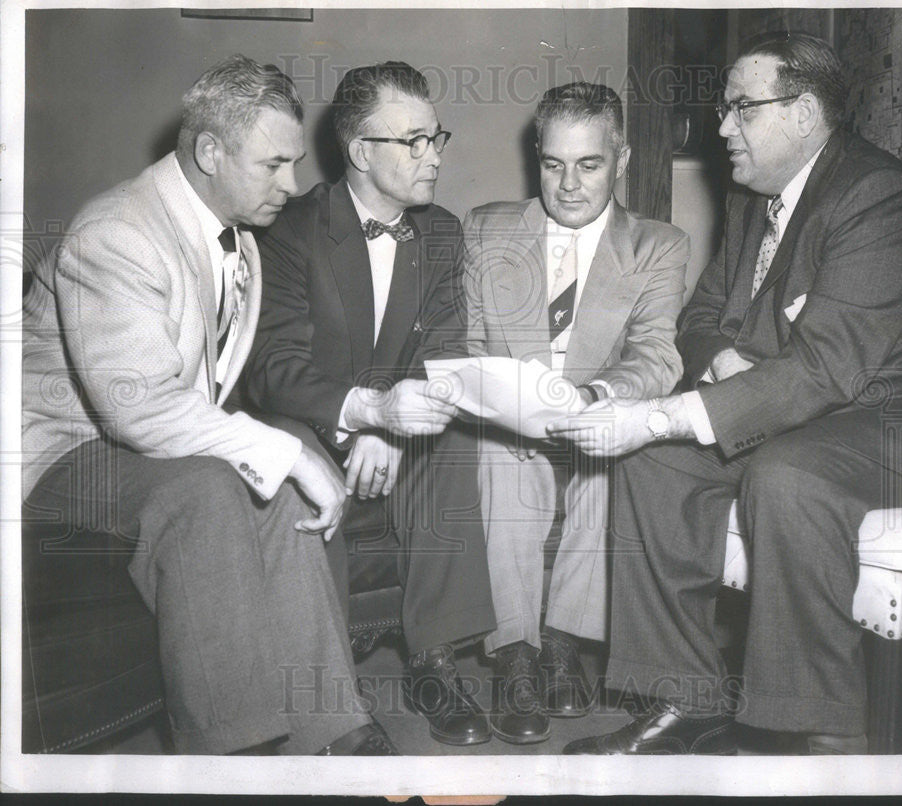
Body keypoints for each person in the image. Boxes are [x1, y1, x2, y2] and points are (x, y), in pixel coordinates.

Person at [550, 33, 902, 755]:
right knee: (652, 465)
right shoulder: (754, 201)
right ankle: (687, 701)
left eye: (742, 108)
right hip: (794, 414)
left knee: (786, 476)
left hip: (897, 426)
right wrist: (724, 363)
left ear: (804, 113)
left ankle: (819, 731)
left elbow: (827, 369)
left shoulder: (878, 198)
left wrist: (661, 413)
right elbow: (700, 320)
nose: (720, 127)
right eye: (724, 108)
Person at [21, 55, 397, 755]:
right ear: (208, 151)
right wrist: (288, 453)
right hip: (58, 460)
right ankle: (236, 754)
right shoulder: (116, 231)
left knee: (272, 487)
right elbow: (142, 410)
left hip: (140, 452)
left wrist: (305, 446)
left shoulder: (242, 239)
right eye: (273, 165)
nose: (291, 183)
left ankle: (334, 733)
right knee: (206, 490)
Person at [244, 61, 496, 747]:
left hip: (389, 422)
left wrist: (392, 425)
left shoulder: (440, 233)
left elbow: (442, 352)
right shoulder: (291, 229)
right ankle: (331, 697)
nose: (434, 155)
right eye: (412, 141)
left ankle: (434, 659)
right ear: (360, 152)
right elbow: (272, 368)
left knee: (455, 436)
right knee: (298, 464)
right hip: (312, 419)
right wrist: (362, 420)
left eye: (435, 136)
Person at [462, 82, 689, 744]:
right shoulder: (488, 229)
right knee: (499, 454)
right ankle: (516, 657)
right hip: (507, 425)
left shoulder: (658, 246)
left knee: (608, 454)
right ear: (537, 156)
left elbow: (656, 356)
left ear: (619, 158)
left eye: (588, 164)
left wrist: (594, 400)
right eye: (553, 163)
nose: (568, 184)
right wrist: (501, 399)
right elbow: (468, 344)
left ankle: (563, 641)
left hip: (593, 417)